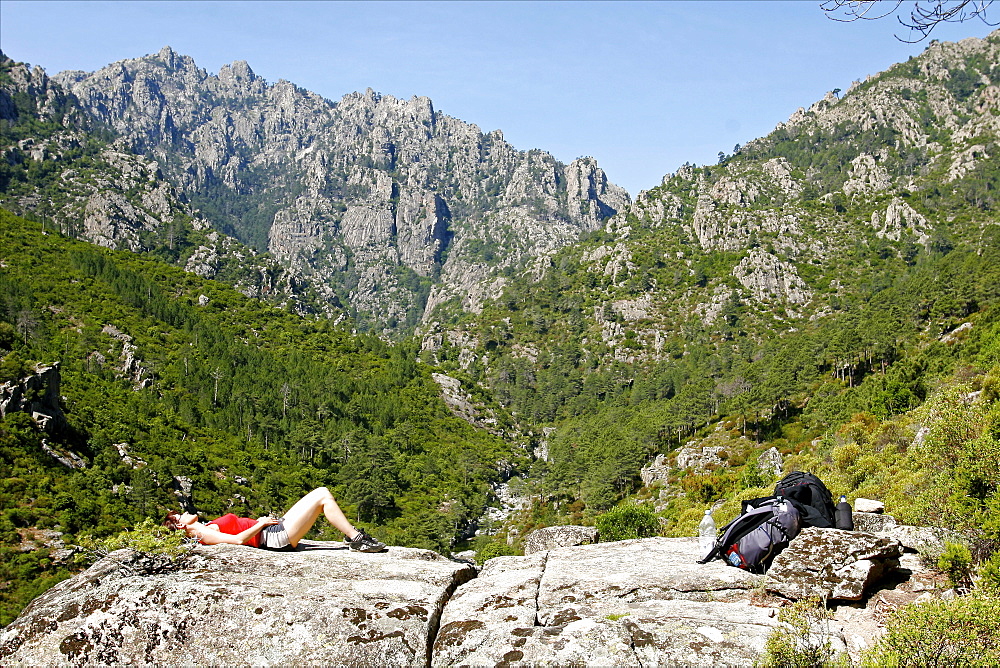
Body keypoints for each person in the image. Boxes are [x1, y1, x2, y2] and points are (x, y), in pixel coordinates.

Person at [163, 486, 386, 553]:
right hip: (274, 537)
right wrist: (260, 524)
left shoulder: (204, 528)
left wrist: (259, 523)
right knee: (322, 496)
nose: (184, 512)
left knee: (321, 494)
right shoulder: (203, 533)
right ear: (182, 525)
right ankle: (356, 539)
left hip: (272, 531)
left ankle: (354, 538)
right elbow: (239, 541)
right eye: (179, 515)